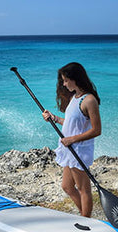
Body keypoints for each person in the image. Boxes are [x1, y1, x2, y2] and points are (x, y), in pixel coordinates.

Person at [42, 62, 101, 218]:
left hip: (79, 150)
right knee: (67, 186)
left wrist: (72, 139)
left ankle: (86, 221)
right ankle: (84, 214)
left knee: (84, 190)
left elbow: (96, 130)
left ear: (76, 79)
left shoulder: (89, 100)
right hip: (70, 149)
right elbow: (70, 123)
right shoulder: (75, 97)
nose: (64, 84)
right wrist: (54, 118)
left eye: (66, 80)